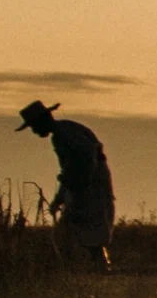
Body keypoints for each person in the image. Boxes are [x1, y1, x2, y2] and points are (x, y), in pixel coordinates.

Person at [16, 99, 114, 265]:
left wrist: (83, 183)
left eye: (34, 126)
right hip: (86, 185)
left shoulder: (63, 134)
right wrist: (62, 196)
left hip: (90, 187)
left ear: (43, 121)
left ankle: (95, 265)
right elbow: (70, 170)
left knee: (82, 226)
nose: (34, 131)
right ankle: (91, 265)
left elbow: (87, 155)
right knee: (80, 228)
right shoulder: (65, 131)